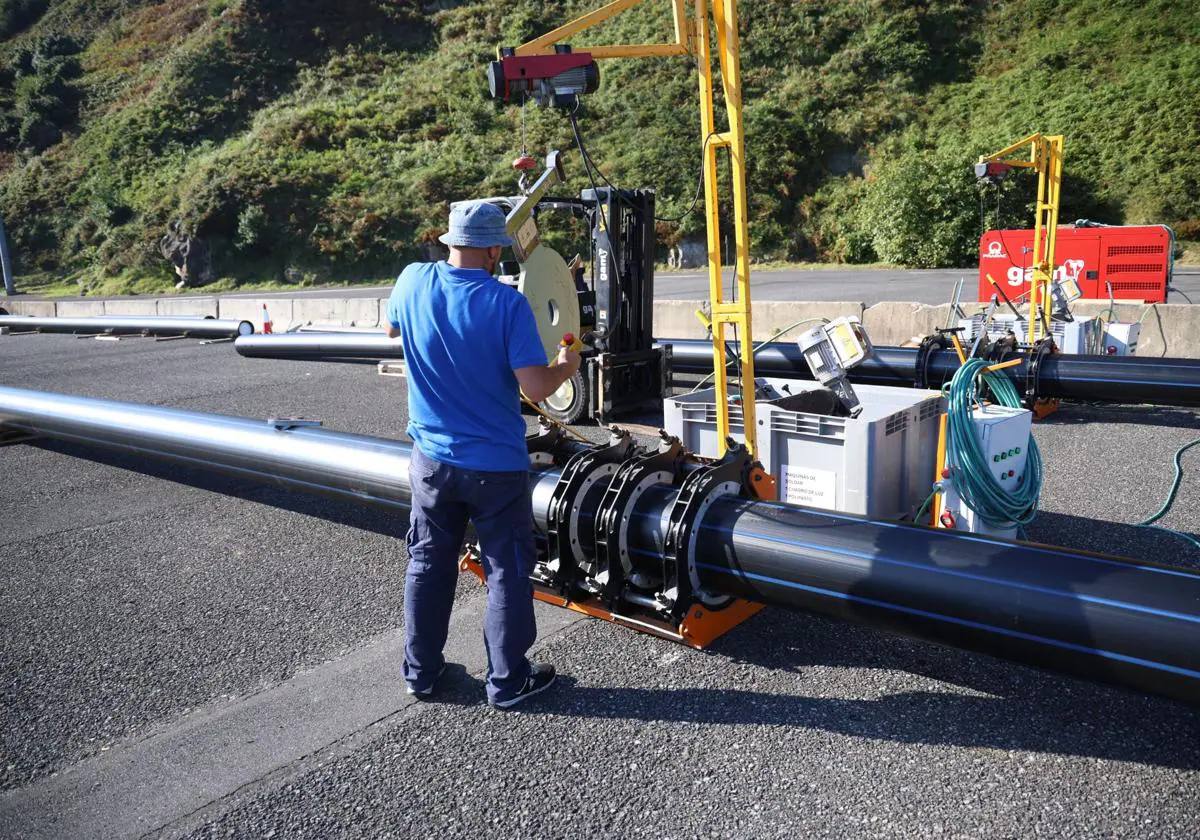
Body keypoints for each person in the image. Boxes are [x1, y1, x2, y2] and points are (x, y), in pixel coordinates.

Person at [386, 200, 581, 709]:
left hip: (430, 459)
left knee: (428, 562)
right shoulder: (506, 304)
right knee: (505, 569)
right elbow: (536, 387)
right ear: (495, 250)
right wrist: (566, 364)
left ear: (450, 242)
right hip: (495, 467)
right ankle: (508, 681)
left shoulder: (410, 281)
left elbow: (392, 332)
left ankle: (421, 674)